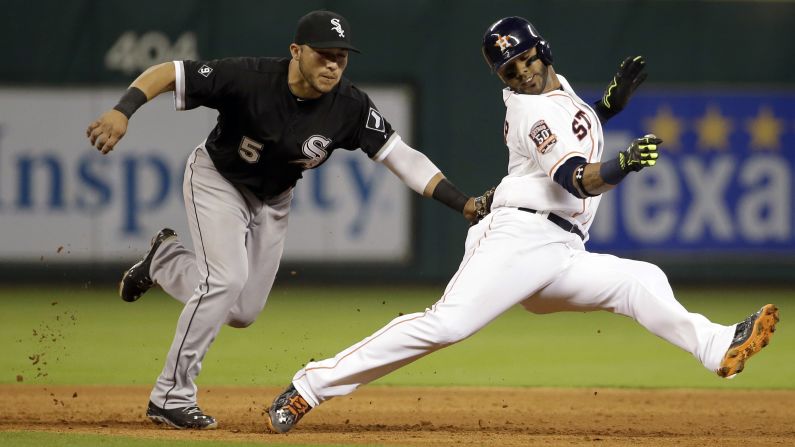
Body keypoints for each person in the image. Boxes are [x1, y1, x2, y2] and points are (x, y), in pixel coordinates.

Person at [264, 16, 779, 434]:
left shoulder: (558, 93)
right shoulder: (532, 111)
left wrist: (605, 108)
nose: (522, 72)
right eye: (509, 70)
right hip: (519, 236)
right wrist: (623, 164)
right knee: (449, 324)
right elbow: (577, 179)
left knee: (639, 280)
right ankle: (309, 386)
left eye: (526, 58)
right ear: (503, 79)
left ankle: (717, 347)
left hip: (559, 250)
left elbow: (574, 125)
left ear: (542, 51)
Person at [85, 10, 495, 430]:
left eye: (341, 56)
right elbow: (168, 71)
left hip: (274, 200)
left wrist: (461, 203)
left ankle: (164, 261)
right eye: (323, 54)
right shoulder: (250, 77)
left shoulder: (349, 106)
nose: (333, 64)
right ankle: (170, 396)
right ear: (296, 51)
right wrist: (124, 110)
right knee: (224, 280)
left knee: (242, 310)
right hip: (217, 180)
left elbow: (401, 157)